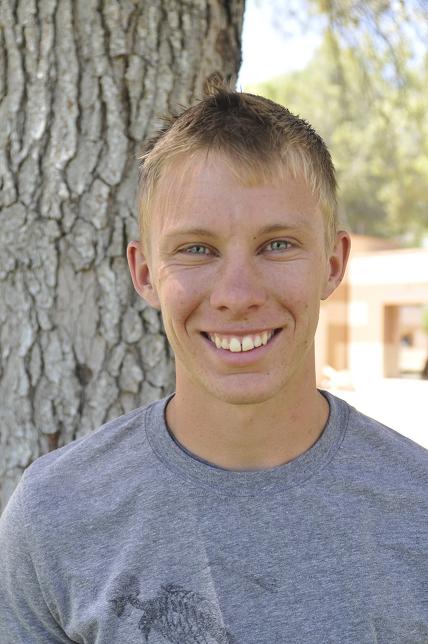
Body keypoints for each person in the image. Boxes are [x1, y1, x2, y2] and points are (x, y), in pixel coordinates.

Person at [1, 79, 427, 644]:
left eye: (277, 244)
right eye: (196, 249)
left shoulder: (416, 509)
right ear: (145, 273)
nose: (237, 293)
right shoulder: (55, 512)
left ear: (332, 263)